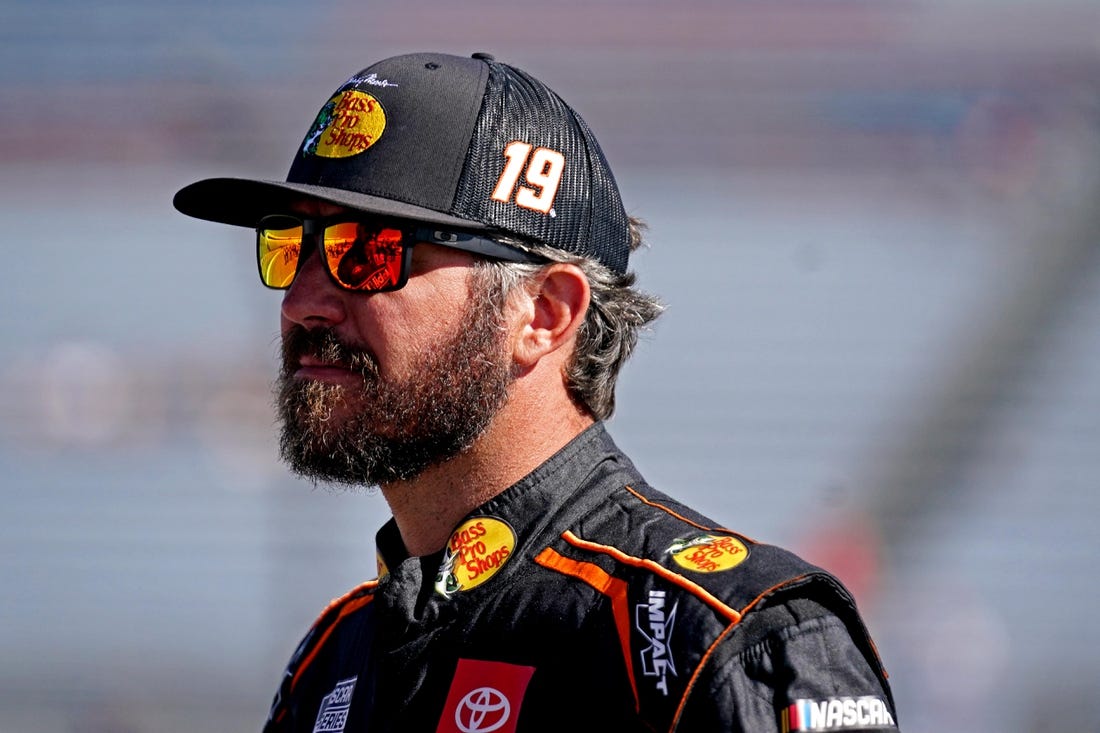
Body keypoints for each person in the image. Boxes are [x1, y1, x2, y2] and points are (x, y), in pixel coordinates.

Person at [174, 51, 899, 733]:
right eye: (289, 247)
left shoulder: (718, 637)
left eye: (367, 252)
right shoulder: (332, 661)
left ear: (544, 313)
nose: (303, 300)